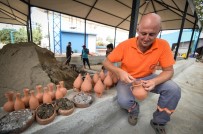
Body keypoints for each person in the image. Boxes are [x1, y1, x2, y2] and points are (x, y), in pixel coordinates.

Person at [102, 13, 181, 134]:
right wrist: (119, 72)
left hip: (148, 77)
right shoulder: (125, 45)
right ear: (138, 29)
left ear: (158, 32)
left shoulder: (163, 45)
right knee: (123, 101)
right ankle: (134, 110)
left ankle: (159, 121)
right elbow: (106, 63)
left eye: (152, 34)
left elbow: (169, 71)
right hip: (128, 78)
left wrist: (154, 81)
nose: (146, 38)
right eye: (143, 33)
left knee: (173, 89)